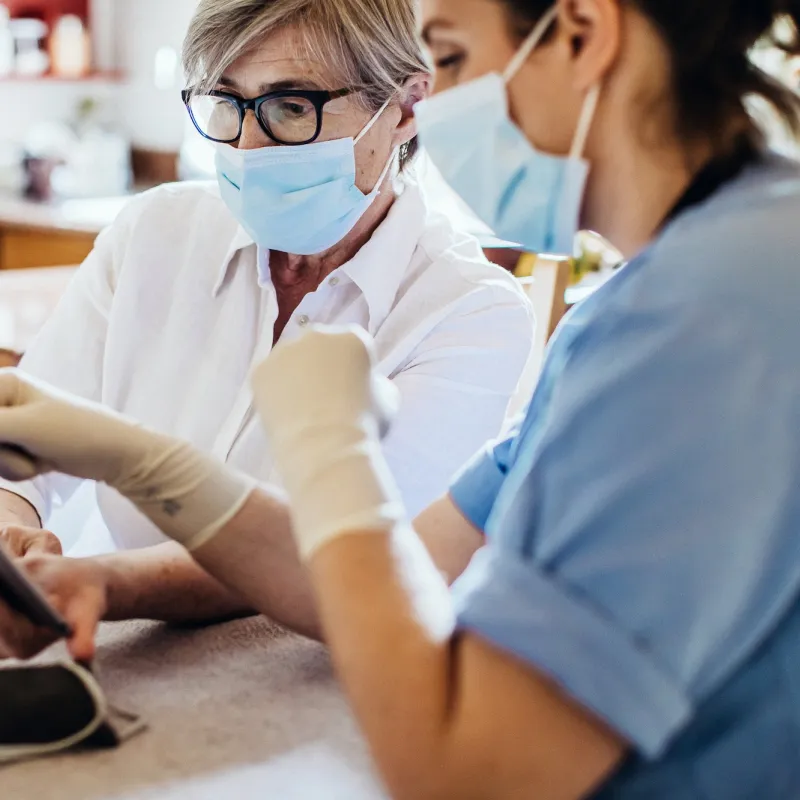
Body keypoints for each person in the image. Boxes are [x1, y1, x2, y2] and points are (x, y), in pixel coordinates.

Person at [2, 0, 799, 797]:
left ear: (583, 35)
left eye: (449, 60)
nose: (439, 111)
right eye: (227, 103)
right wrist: (143, 464)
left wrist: (331, 451)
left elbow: (469, 770)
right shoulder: (641, 304)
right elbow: (409, 557)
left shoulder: (706, 316)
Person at [0, 0, 533, 654]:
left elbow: (333, 552)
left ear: (405, 108)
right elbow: (26, 445)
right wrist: (14, 531)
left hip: (310, 671)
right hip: (117, 643)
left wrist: (105, 581)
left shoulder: (469, 311)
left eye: (290, 108)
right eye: (226, 102)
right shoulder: (154, 236)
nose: (248, 148)